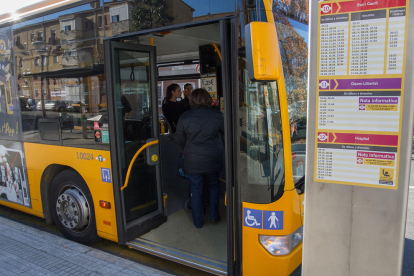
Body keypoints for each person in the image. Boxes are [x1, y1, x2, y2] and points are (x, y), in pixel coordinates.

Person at [174, 88, 224, 228]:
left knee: (196, 190)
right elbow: (225, 132)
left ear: (192, 100)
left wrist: (189, 150)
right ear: (208, 99)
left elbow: (179, 139)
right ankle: (214, 216)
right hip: (213, 158)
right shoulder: (216, 115)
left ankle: (198, 222)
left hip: (193, 160)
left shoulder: (185, 116)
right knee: (214, 186)